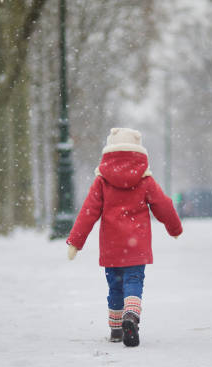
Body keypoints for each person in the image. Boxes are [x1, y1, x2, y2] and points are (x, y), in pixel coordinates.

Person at [66, 128, 182, 347]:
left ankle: (116, 328)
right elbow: (163, 205)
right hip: (136, 245)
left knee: (115, 287)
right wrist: (174, 227)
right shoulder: (145, 179)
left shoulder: (102, 181)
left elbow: (88, 212)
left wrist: (75, 241)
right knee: (133, 282)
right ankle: (131, 315)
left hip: (112, 245)